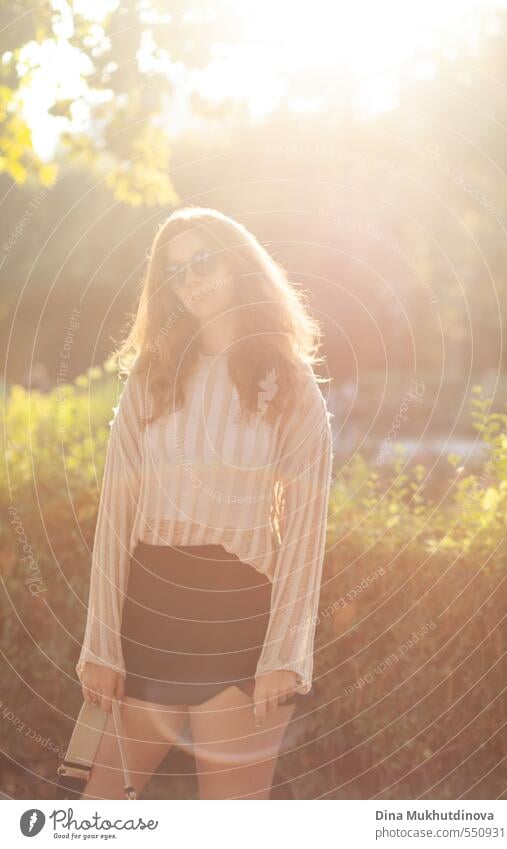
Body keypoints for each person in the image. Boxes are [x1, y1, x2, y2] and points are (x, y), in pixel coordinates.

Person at [76, 206, 334, 800]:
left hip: (239, 612)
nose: (190, 280)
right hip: (149, 607)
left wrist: (285, 655)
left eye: (202, 261)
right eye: (174, 271)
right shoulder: (150, 377)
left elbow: (304, 534)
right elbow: (114, 521)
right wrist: (100, 645)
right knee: (94, 818)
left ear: (240, 265)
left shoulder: (289, 383)